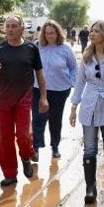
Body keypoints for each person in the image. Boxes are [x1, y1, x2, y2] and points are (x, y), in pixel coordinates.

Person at [0, 15, 49, 187]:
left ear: (22, 28)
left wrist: (43, 97)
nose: (10, 29)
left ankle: (26, 156)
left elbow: (40, 75)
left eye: (14, 26)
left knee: (23, 133)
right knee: (4, 138)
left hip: (24, 97)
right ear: (4, 29)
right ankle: (10, 174)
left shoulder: (31, 49)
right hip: (3, 100)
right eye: (8, 26)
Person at [69, 21, 104, 204]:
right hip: (89, 106)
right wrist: (73, 107)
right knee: (90, 149)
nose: (92, 34)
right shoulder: (86, 56)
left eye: (96, 31)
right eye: (91, 31)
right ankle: (90, 188)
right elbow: (79, 83)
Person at [31, 20, 77, 161]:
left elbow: (74, 68)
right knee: (38, 118)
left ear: (58, 33)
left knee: (55, 119)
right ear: (43, 34)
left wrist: (72, 83)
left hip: (59, 90)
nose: (50, 36)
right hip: (38, 89)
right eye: (47, 33)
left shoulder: (66, 49)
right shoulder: (36, 47)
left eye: (52, 32)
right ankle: (36, 148)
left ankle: (55, 146)